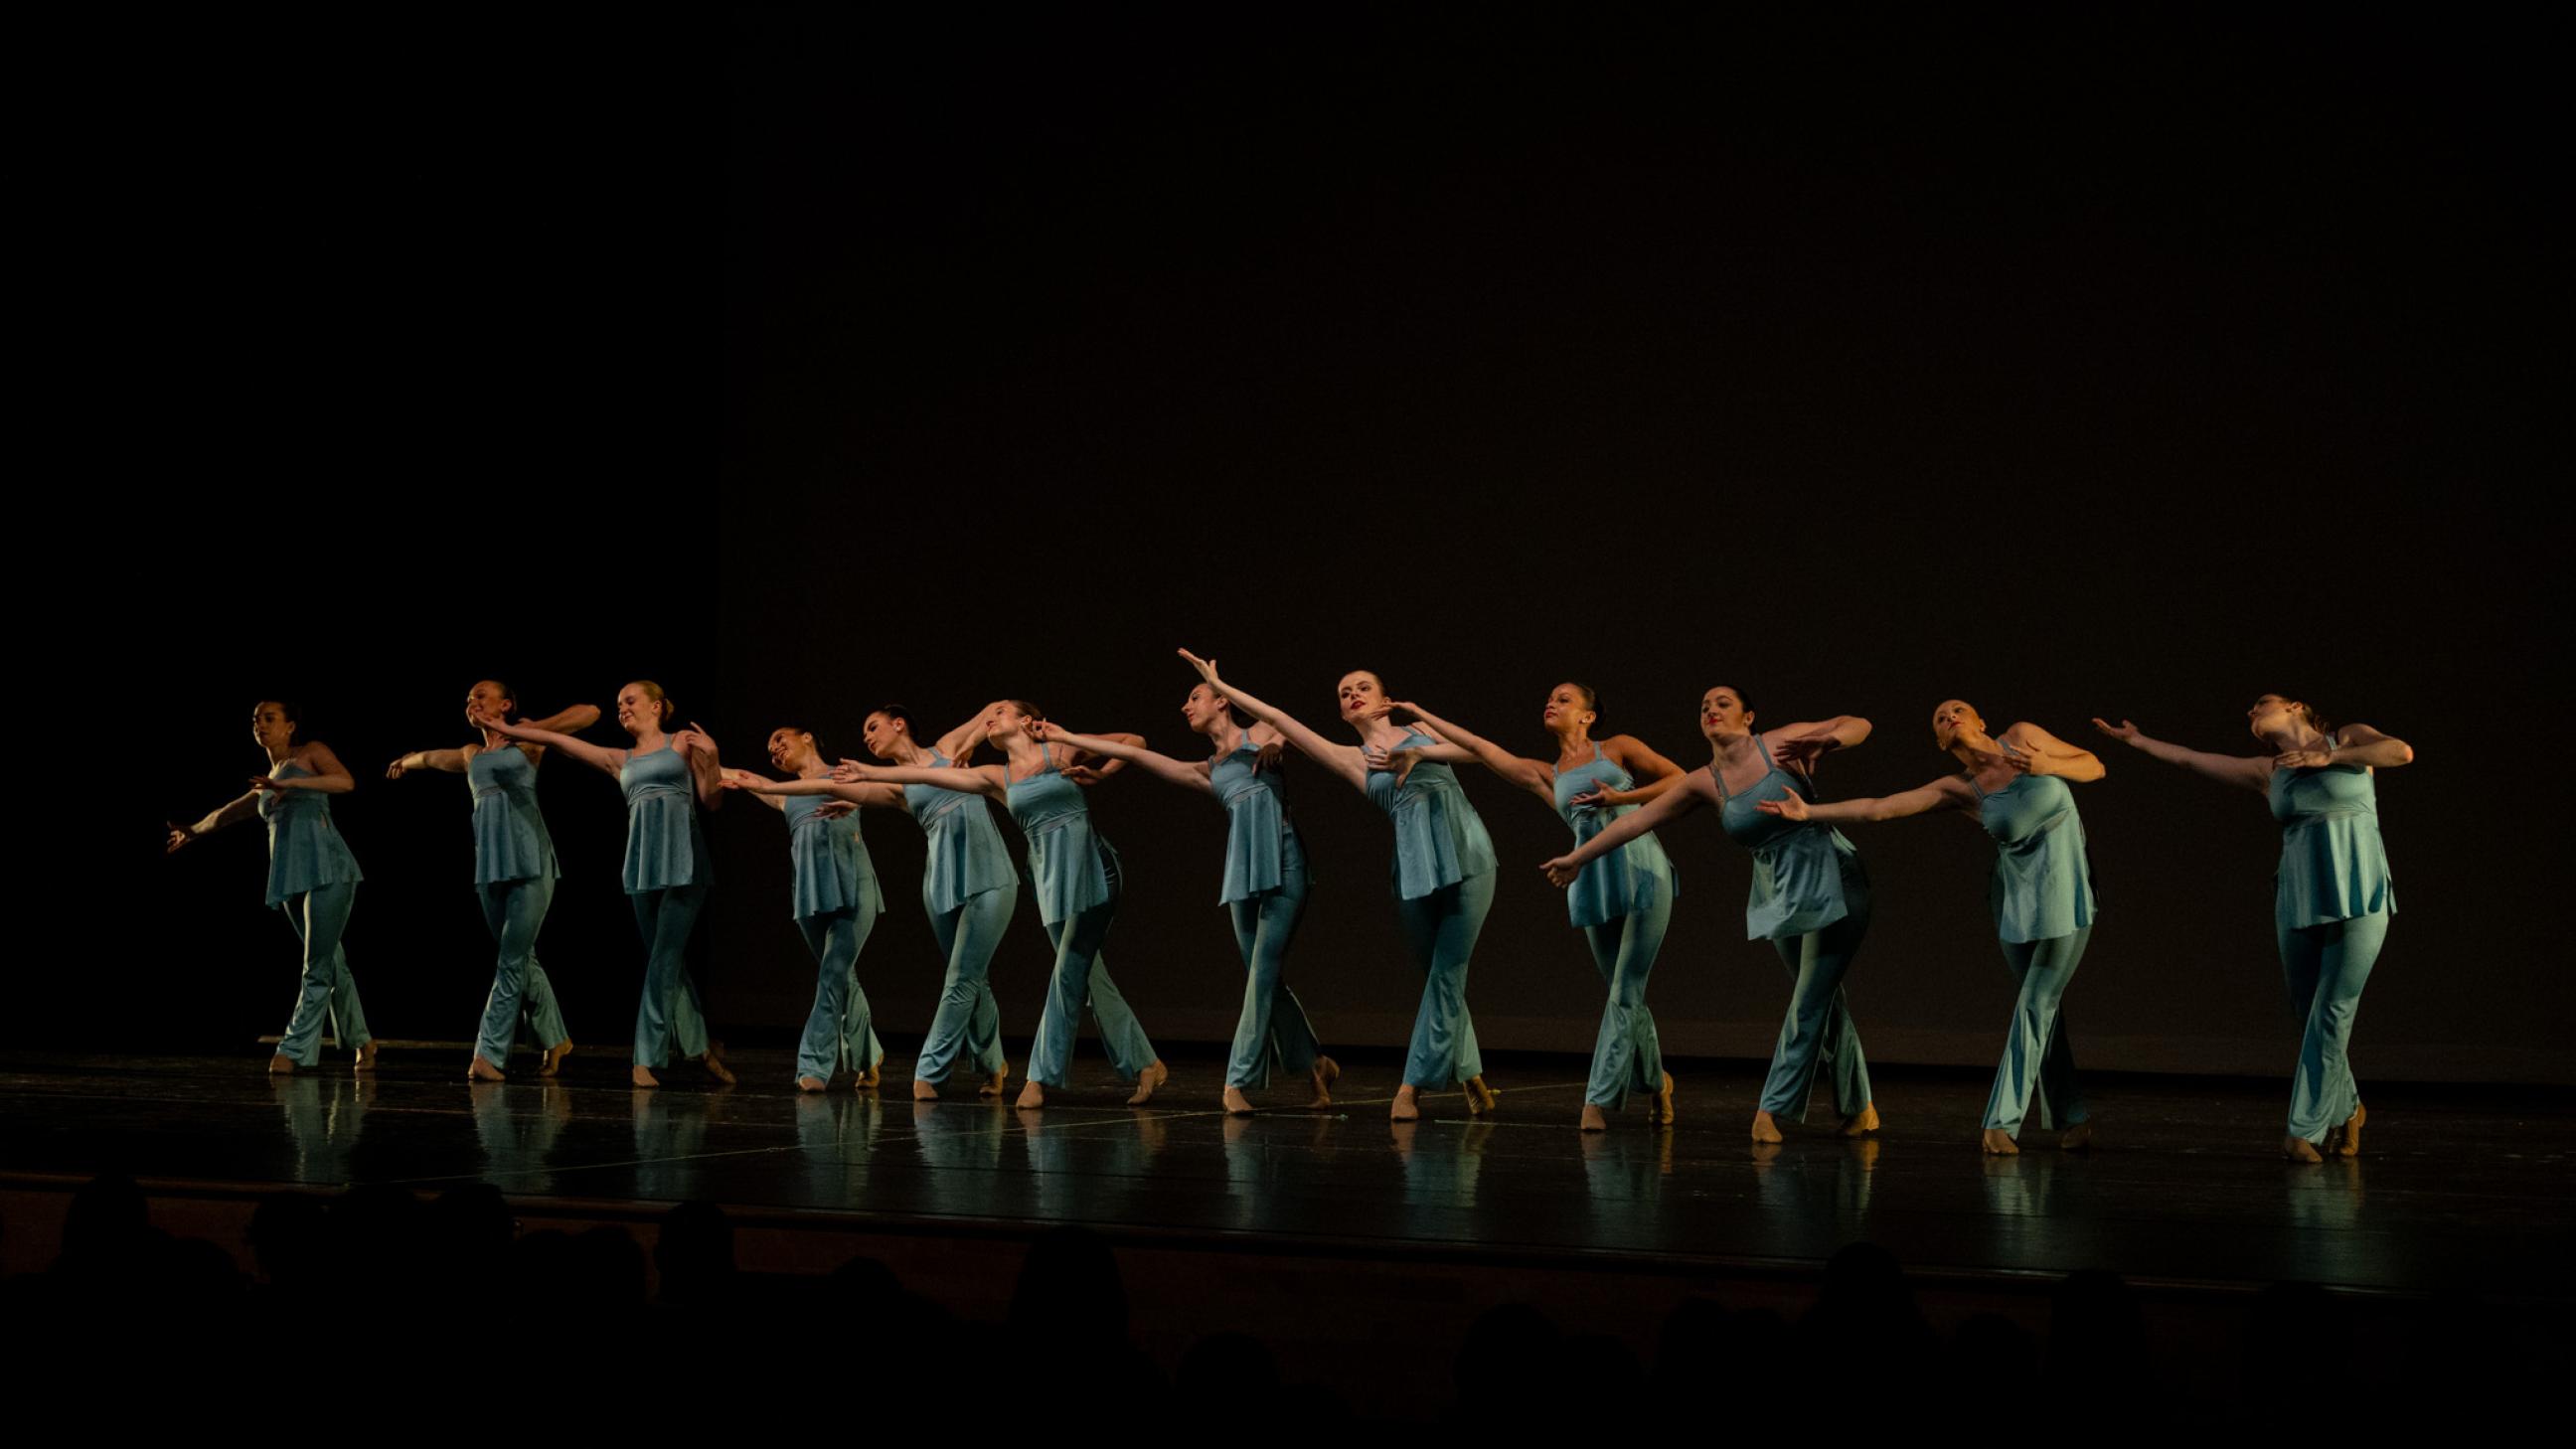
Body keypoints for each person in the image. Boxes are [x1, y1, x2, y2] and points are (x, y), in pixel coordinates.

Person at [1757, 701, 2103, 1154]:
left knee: (2038, 1003)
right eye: (1940, 718)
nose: (1950, 716)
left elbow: (2094, 766)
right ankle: (2071, 1116)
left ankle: (2001, 1122)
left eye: (1959, 709)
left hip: (2068, 889)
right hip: (2016, 897)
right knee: (2039, 1009)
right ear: (1941, 741)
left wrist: (2046, 763)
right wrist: (1810, 814)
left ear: (1981, 721)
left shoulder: (2024, 736)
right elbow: (1881, 808)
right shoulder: (1960, 788)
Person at [1543, 686, 1877, 1143]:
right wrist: (1579, 858)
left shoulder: (1780, 743)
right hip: (1777, 889)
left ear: (1749, 716)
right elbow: (1636, 821)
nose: (1711, 710)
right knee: (1824, 999)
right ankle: (1860, 1106)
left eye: (1723, 703)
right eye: (1704, 706)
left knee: (1810, 995)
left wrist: (1832, 740)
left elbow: (1857, 722)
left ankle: (1771, 1111)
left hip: (1832, 873)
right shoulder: (1704, 781)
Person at [1180, 651, 1499, 1123]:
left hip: (1469, 854)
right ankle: (1470, 1072)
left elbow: (1478, 751)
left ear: (1385, 700)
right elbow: (1279, 719)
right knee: (1438, 973)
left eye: (1362, 687)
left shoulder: (1420, 734)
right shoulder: (1353, 760)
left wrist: (1419, 751)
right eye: (1344, 692)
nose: (1352, 695)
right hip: (1415, 869)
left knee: (1449, 971)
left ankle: (1411, 1087)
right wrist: (1218, 685)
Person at [2093, 696, 2410, 1162]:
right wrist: (2138, 740)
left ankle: (2303, 1128)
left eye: (2261, 703)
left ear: (2296, 707)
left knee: (2334, 1007)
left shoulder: (2347, 737)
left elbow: (2400, 752)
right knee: (2310, 1013)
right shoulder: (2269, 771)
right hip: (2299, 893)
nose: (2249, 712)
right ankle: (2350, 1107)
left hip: (2359, 885)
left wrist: (2331, 756)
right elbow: (2190, 760)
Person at [1029, 679, 1341, 1114]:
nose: (1185, 706)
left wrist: (1280, 744)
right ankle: (1315, 1064)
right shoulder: (1208, 770)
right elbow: (1137, 753)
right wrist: (1065, 739)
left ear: (1222, 701)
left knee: (1263, 969)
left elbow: (1290, 728)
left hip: (1286, 863)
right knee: (1262, 974)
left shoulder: (1262, 732)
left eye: (1195, 697)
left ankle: (1237, 1081)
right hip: (1242, 873)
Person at [841, 703, 1167, 1108]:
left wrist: (1097, 768)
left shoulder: (1059, 753)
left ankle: (1038, 1079)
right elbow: (923, 775)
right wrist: (868, 773)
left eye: (1002, 715)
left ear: (1026, 722)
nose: (992, 720)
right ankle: (1145, 1062)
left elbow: (1133, 742)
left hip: (1092, 868)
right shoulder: (999, 777)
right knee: (1087, 974)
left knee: (1068, 971)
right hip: (1047, 878)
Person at [1392, 687, 1685, 1131]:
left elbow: (1680, 780)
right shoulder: (1544, 774)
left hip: (1644, 870)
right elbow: (1480, 748)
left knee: (1626, 987)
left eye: (1564, 699)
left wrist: (1621, 799)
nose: (1551, 702)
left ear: (1588, 716)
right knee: (1622, 992)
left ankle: (1596, 1101)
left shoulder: (1618, 748)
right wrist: (1419, 712)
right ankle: (1657, 1082)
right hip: (1590, 878)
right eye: (1549, 698)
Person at [478, 681, 732, 1087]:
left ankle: (644, 1059)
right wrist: (509, 729)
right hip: (642, 865)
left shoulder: (683, 743)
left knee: (664, 959)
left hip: (684, 863)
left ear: (657, 706)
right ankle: (699, 1045)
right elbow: (552, 738)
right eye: (619, 704)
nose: (623, 709)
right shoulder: (620, 759)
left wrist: (714, 756)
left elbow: (712, 798)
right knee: (664, 960)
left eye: (630, 701)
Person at [385, 679, 596, 1079]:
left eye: (482, 695)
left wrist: (524, 728)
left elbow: (589, 712)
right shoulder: (472, 754)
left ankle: (488, 1054)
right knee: (520, 956)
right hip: (490, 866)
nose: (473, 701)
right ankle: (556, 1038)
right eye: (468, 698)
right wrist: (406, 760)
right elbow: (432, 758)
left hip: (531, 861)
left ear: (506, 704)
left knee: (510, 960)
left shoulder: (529, 742)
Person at [166, 700, 376, 1074]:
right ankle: (363, 1041)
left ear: (290, 726)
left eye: (268, 718)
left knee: (315, 965)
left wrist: (290, 783)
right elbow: (228, 812)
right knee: (332, 962)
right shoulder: (267, 780)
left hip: (330, 870)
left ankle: (294, 1049)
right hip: (292, 876)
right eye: (255, 720)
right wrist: (194, 830)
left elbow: (346, 781)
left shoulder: (311, 753)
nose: (259, 725)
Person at [721, 724, 892, 1091]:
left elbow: (881, 790)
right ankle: (869, 1054)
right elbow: (742, 777)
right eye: (770, 750)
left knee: (832, 974)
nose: (775, 751)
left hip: (852, 885)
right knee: (843, 976)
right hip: (810, 893)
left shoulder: (842, 775)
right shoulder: (784, 795)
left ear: (808, 737)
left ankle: (813, 1065)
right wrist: (699, 755)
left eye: (780, 740)